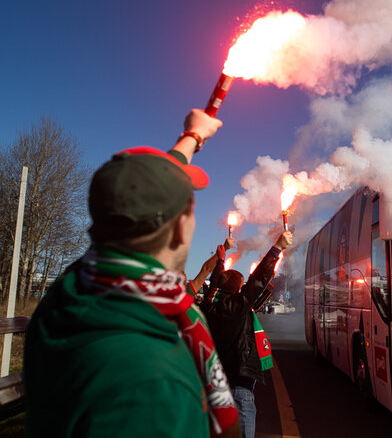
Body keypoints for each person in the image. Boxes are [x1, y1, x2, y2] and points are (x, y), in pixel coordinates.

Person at [24, 110, 241, 437]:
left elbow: (140, 187)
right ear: (181, 230)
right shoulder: (150, 383)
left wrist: (192, 137)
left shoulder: (75, 288)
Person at [203, 230, 292, 438]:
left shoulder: (209, 306)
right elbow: (257, 282)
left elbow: (215, 285)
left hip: (215, 387)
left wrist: (221, 259)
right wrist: (276, 248)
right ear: (237, 290)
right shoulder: (237, 306)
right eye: (242, 286)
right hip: (238, 388)